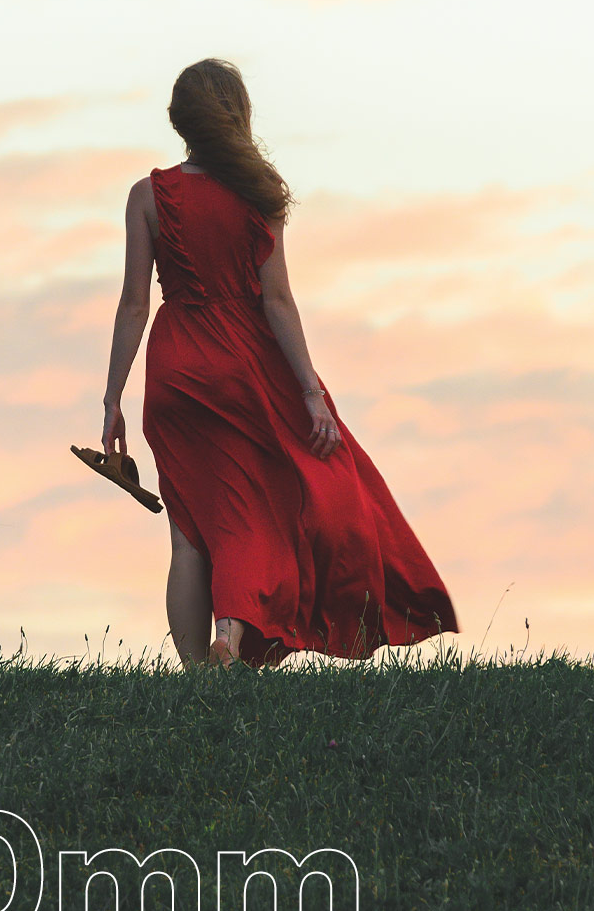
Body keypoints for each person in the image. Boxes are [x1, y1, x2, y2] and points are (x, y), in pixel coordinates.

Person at [99, 58, 457, 669]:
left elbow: (134, 305)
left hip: (176, 369)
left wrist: (112, 401)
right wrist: (311, 393)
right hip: (244, 367)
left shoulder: (147, 196)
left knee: (188, 528)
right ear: (238, 117)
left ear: (179, 122)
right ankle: (230, 639)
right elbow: (278, 300)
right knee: (253, 516)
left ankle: (196, 684)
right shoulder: (259, 194)